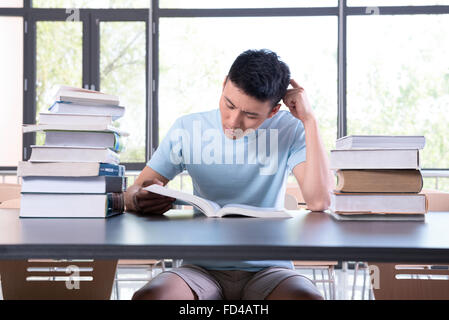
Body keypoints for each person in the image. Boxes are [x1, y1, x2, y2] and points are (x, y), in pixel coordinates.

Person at [125, 49, 334, 300]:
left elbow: (319, 201)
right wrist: (138, 198)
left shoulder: (290, 129)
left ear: (273, 111)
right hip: (200, 270)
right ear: (224, 84)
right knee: (151, 298)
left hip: (270, 270)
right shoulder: (188, 128)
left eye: (250, 115)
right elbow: (132, 192)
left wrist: (309, 120)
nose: (234, 122)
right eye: (229, 104)